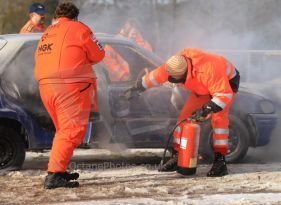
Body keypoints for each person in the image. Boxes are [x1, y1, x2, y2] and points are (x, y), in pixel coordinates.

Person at [125, 48, 240, 177]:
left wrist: (206, 108)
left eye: (176, 79)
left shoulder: (208, 71)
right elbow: (156, 75)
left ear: (184, 73)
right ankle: (177, 157)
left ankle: (220, 162)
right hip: (202, 87)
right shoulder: (175, 64)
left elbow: (224, 95)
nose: (173, 81)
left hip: (226, 85)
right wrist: (138, 87)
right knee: (183, 120)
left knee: (219, 121)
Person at [34, 2, 105, 189]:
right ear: (75, 17)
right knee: (71, 131)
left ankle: (59, 170)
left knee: (63, 131)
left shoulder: (47, 33)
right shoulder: (80, 28)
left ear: (56, 17)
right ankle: (54, 175)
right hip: (70, 86)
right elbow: (99, 55)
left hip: (46, 87)